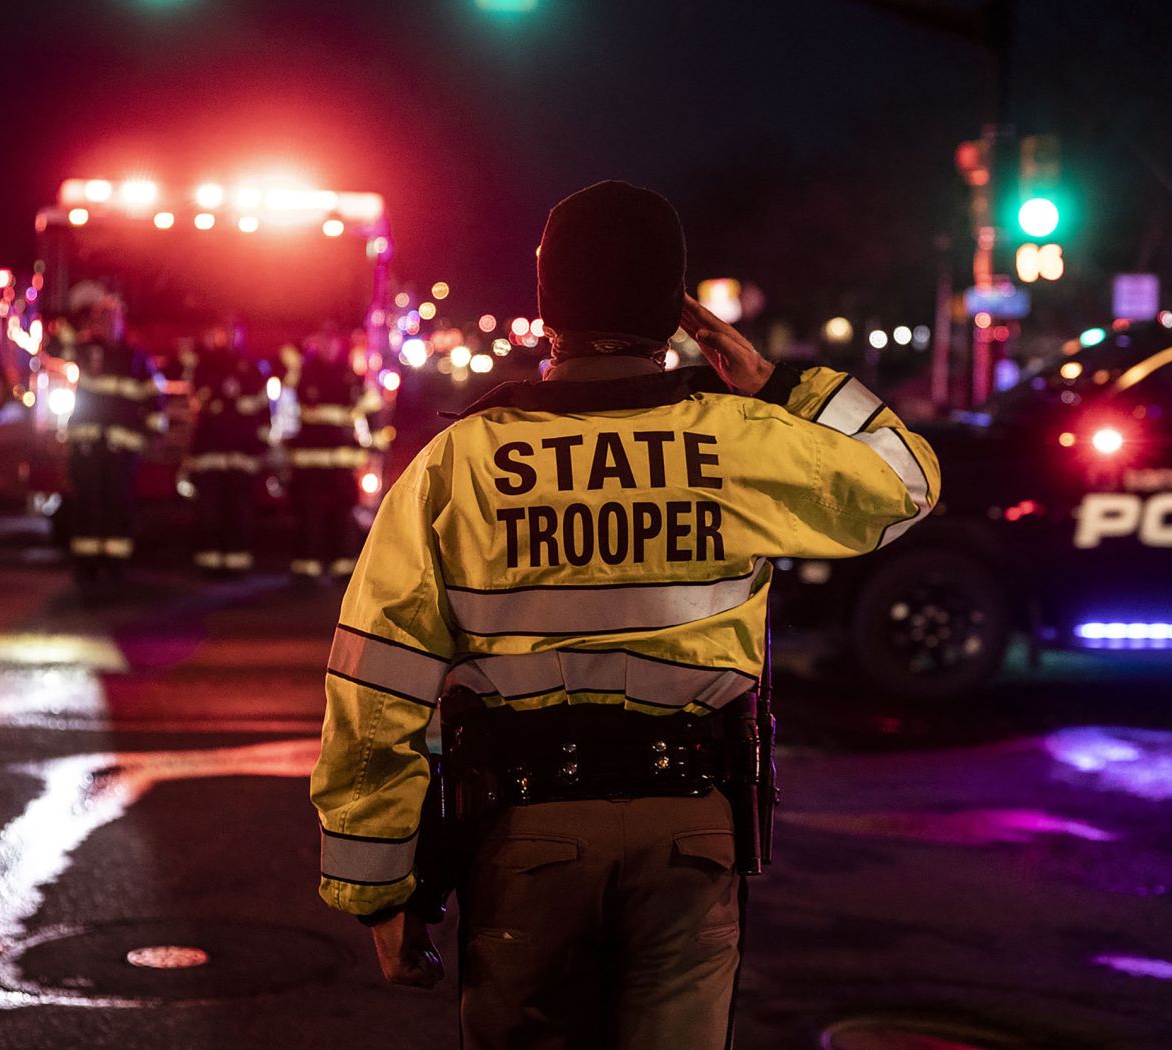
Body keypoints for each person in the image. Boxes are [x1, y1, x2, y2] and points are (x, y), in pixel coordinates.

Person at [310, 181, 940, 1048]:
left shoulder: (459, 464)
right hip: (690, 835)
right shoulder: (735, 439)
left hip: (524, 840)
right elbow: (906, 483)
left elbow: (374, 686)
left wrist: (378, 888)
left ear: (546, 303)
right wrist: (778, 383)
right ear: (674, 311)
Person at [59, 282, 162, 584]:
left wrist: (154, 436)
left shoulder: (137, 359)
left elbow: (155, 400)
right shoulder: (84, 349)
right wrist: (79, 312)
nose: (106, 325)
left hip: (122, 448)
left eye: (111, 319)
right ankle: (87, 563)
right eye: (100, 319)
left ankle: (115, 563)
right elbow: (55, 346)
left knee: (118, 505)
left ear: (121, 322)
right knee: (87, 503)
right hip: (88, 445)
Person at [287, 326, 381, 580]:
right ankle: (307, 566)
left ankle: (344, 565)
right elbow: (286, 397)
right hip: (310, 457)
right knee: (309, 512)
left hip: (341, 458)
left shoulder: (348, 375)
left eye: (331, 343)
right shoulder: (305, 373)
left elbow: (373, 401)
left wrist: (366, 429)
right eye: (322, 342)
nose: (327, 347)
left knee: (343, 513)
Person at [187, 322, 270, 575]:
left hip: (241, 456)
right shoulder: (205, 365)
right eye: (224, 332)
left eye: (233, 333)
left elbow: (264, 413)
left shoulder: (255, 369)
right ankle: (209, 564)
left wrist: (261, 448)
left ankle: (237, 564)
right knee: (209, 512)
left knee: (239, 512)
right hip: (210, 454)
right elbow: (198, 405)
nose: (228, 338)